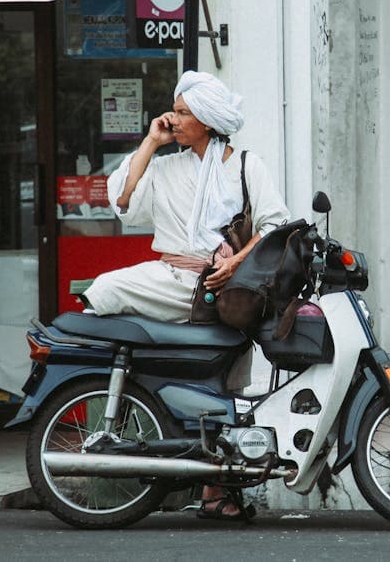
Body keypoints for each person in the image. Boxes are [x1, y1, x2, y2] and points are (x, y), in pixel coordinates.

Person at [83, 70, 290, 521]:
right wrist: (151, 141)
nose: (172, 119)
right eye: (173, 111)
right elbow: (122, 200)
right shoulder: (164, 166)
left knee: (224, 387)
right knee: (103, 289)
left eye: (182, 113)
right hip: (172, 279)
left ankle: (217, 490)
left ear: (208, 120)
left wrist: (235, 263)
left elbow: (275, 224)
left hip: (225, 289)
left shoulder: (246, 164)